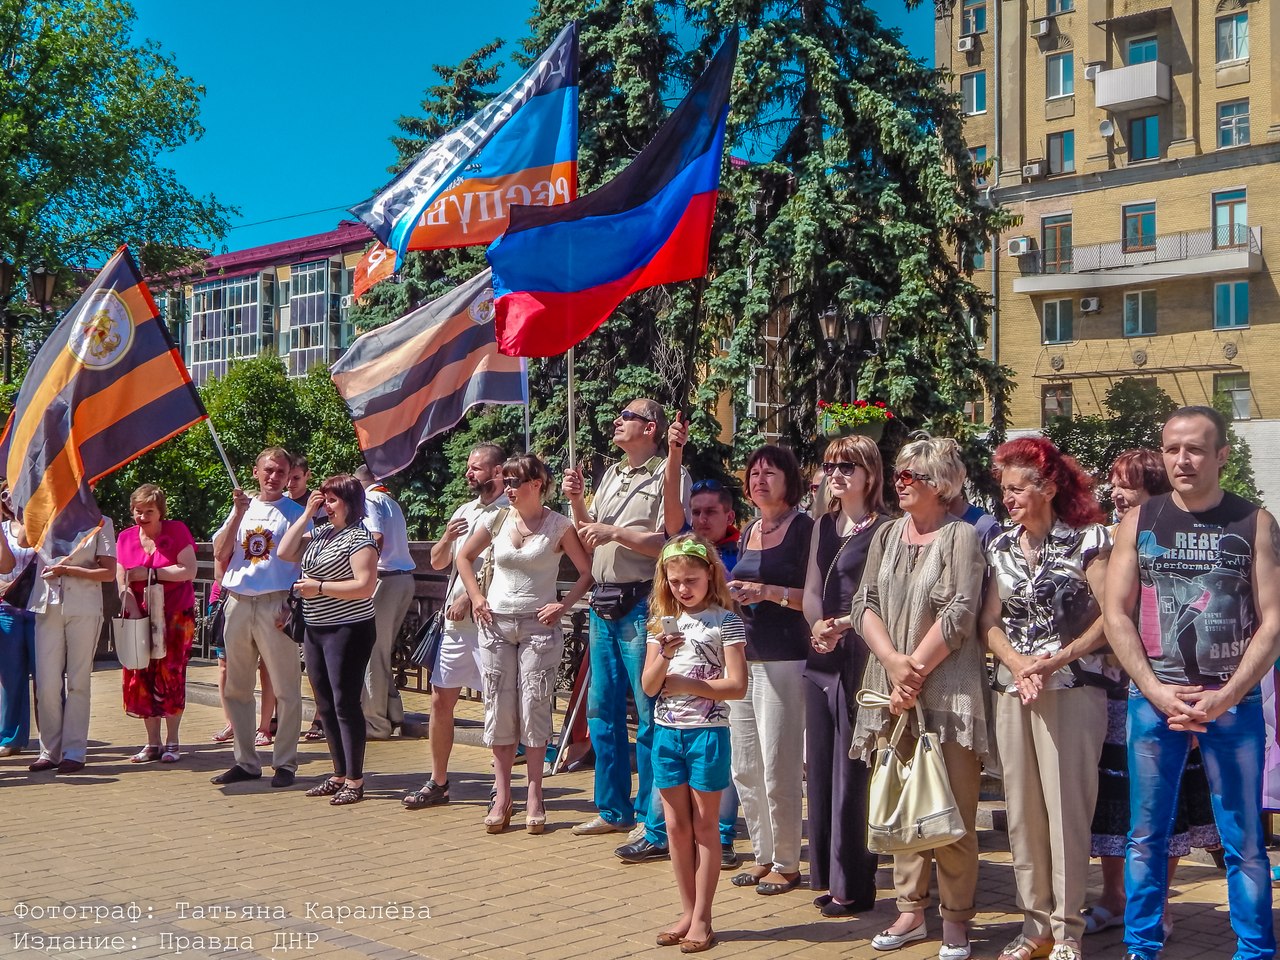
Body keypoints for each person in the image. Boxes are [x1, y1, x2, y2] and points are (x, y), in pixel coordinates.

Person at [1104, 406, 1280, 960]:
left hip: (1233, 702)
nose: (1182, 459)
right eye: (1173, 448)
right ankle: (1142, 947)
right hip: (1155, 703)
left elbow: (1272, 620)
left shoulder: (1254, 522)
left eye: (1196, 448)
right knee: (1146, 836)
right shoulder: (1140, 521)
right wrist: (1155, 691)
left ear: (1222, 455)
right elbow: (1116, 614)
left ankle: (1254, 949)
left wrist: (1225, 695)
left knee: (1245, 841)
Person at [850, 436, 986, 957]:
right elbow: (865, 602)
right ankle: (910, 912)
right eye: (899, 474)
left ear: (943, 485)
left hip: (948, 697)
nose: (900, 483)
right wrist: (891, 664)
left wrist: (914, 673)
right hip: (890, 693)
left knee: (949, 812)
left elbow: (960, 613)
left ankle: (956, 922)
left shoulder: (962, 537)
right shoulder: (886, 535)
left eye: (913, 476)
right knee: (902, 804)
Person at [982, 436, 1110, 960]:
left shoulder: (1090, 539)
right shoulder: (1000, 545)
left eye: (1017, 488)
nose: (1007, 498)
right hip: (1015, 689)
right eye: (1004, 489)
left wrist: (1055, 659)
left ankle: (1067, 930)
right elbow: (988, 621)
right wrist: (1016, 663)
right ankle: (1033, 924)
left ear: (1049, 487)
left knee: (1066, 812)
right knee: (1022, 812)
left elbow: (1111, 619)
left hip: (1073, 686)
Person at [1083, 449, 1219, 939]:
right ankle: (1114, 896)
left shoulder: (1177, 547)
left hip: (1171, 692)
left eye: (1128, 487)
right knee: (1116, 803)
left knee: (1168, 800)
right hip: (1114, 692)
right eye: (1114, 486)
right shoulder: (1104, 545)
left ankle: (1156, 901)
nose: (1116, 495)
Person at [561, 399, 689, 851]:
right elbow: (586, 535)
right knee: (602, 711)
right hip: (602, 602)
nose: (616, 420)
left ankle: (652, 818)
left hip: (640, 602)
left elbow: (669, 540)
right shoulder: (612, 474)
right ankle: (612, 810)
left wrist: (614, 533)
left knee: (650, 712)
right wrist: (578, 502)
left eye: (627, 415)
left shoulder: (667, 473)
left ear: (649, 427)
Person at [456, 454, 593, 833]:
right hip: (495, 624)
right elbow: (464, 557)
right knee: (498, 708)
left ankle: (535, 794)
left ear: (538, 484)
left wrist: (563, 604)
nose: (510, 489)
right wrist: (477, 597)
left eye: (517, 482)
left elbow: (586, 572)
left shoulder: (558, 525)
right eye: (508, 481)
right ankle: (502, 796)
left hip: (538, 627)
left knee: (534, 708)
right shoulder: (497, 518)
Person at [642, 535, 747, 953]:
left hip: (708, 734)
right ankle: (686, 911)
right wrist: (664, 655)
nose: (683, 588)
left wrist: (690, 684)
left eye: (691, 579)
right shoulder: (659, 623)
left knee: (705, 826)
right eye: (675, 581)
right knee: (675, 826)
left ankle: (703, 915)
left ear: (710, 575)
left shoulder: (727, 621)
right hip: (667, 734)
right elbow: (650, 687)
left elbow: (737, 685)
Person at [802, 436, 889, 917]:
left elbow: (886, 598)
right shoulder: (822, 524)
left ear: (870, 475)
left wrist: (845, 625)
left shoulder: (886, 529)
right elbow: (812, 588)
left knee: (854, 771)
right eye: (831, 465)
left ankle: (855, 883)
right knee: (822, 768)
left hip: (861, 653)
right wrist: (816, 624)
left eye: (848, 466)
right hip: (822, 656)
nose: (836, 474)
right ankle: (830, 875)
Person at [725, 443, 813, 896]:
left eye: (770, 473)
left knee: (779, 763)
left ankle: (787, 860)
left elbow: (814, 599)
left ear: (789, 480)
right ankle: (761, 854)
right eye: (754, 473)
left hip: (785, 656)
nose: (760, 480)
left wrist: (768, 592)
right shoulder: (748, 530)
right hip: (744, 656)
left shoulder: (804, 529)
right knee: (745, 764)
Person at [403, 443, 508, 809]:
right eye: (468, 467)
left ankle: (501, 784)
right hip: (454, 628)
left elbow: (510, 570)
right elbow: (436, 562)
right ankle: (438, 781)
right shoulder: (465, 510)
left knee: (496, 705)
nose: (469, 473)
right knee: (440, 699)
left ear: (497, 472)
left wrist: (472, 595)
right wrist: (447, 537)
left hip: (490, 624)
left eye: (476, 468)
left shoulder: (510, 512)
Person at [661, 416, 742, 869]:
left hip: (735, 666)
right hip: (683, 693)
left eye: (711, 511)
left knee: (733, 764)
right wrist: (674, 454)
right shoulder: (684, 552)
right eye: (696, 512)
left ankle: (724, 835)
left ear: (729, 516)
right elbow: (671, 508)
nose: (700, 520)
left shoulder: (739, 548)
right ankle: (666, 832)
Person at [209, 447, 307, 788]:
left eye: (281, 472)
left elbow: (306, 561)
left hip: (275, 603)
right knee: (237, 687)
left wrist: (292, 602)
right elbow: (220, 552)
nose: (274, 477)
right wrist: (237, 514)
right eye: (268, 470)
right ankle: (246, 761)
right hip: (238, 601)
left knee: (286, 688)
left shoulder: (296, 513)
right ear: (255, 472)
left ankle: (285, 763)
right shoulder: (242, 510)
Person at [279, 475, 379, 806]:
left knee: (344, 703)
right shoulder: (322, 533)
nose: (327, 505)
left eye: (333, 500)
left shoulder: (360, 539)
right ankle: (338, 774)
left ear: (350, 502)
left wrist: (319, 587)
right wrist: (307, 514)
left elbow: (365, 586)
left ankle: (355, 780)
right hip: (315, 627)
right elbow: (284, 551)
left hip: (348, 628)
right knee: (324, 704)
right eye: (324, 498)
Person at [28, 507, 116, 775]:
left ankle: (74, 752)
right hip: (47, 607)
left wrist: (69, 570)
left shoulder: (101, 522)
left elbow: (108, 573)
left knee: (78, 682)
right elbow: (21, 540)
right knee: (46, 684)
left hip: (84, 607)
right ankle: (49, 751)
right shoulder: (43, 517)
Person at [117, 485, 198, 764]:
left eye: (148, 511)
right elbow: (121, 581)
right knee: (140, 676)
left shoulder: (176, 531)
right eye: (138, 511)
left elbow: (188, 570)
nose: (142, 517)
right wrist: (131, 611)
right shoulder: (125, 538)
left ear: (160, 511)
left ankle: (173, 742)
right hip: (138, 615)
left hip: (175, 615)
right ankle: (152, 744)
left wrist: (151, 572)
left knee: (171, 674)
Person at [355, 465, 414, 740]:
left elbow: (376, 536)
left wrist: (361, 568)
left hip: (385, 578)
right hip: (403, 579)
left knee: (371, 652)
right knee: (382, 649)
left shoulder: (368, 499)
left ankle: (375, 724)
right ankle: (393, 713)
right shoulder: (390, 500)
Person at [0, 488, 33, 757]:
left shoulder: (43, 523)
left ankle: (53, 740)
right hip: (7, 608)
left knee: (47, 677)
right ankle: (11, 737)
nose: (9, 498)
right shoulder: (1, 528)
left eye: (14, 491)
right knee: (11, 677)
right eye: (4, 494)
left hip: (40, 608)